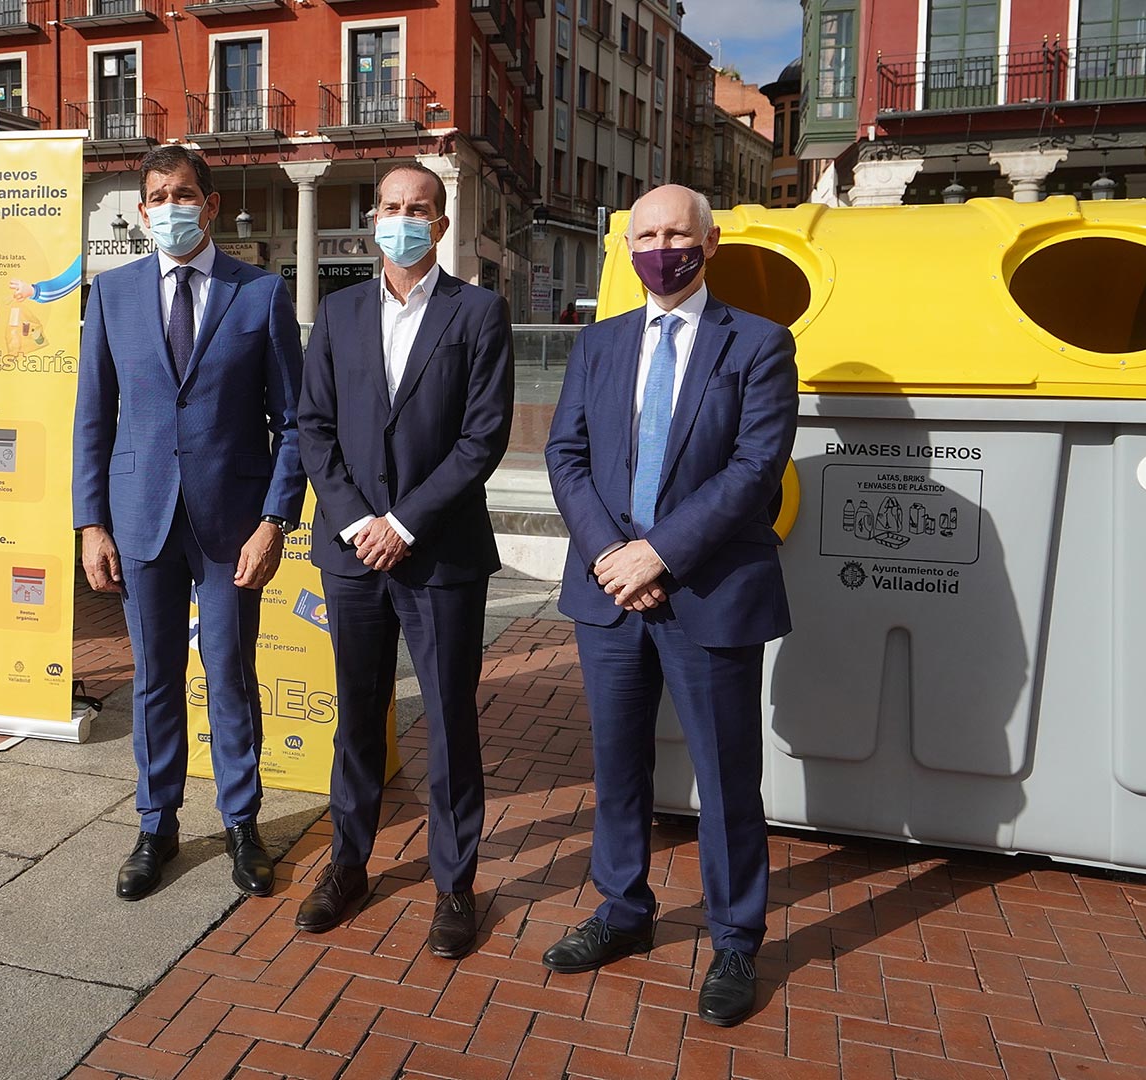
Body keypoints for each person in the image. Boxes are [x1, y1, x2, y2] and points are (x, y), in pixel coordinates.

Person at [542, 184, 798, 1027]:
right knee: (617, 767)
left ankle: (734, 937)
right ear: (628, 247)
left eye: (675, 233)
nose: (661, 246)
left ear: (709, 242)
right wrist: (613, 555)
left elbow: (755, 470)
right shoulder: (600, 342)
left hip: (710, 592)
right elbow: (566, 453)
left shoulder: (759, 344)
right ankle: (622, 910)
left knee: (727, 776)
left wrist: (661, 551)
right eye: (645, 234)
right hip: (610, 590)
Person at [73, 145, 305, 902]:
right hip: (140, 521)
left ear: (208, 203)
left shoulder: (260, 293)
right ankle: (157, 824)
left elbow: (293, 423)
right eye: (154, 196)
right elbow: (92, 421)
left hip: (231, 525)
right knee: (154, 680)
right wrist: (90, 524)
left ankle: (242, 821)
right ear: (142, 211)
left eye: (181, 193)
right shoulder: (110, 296)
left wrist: (276, 519)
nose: (167, 206)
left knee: (231, 675)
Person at [296, 162, 514, 960]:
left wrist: (404, 523)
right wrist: (359, 522)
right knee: (358, 713)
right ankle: (347, 864)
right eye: (391, 207)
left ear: (441, 222)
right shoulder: (339, 311)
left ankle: (455, 882)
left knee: (452, 721)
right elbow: (313, 427)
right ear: (372, 217)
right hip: (352, 555)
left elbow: (481, 439)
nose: (404, 219)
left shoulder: (479, 313)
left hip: (439, 553)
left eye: (419, 208)